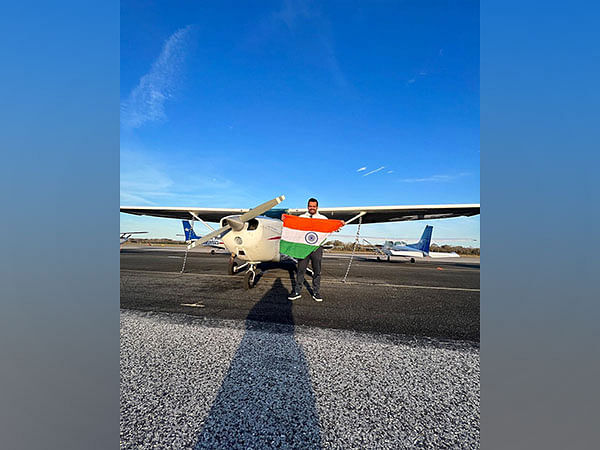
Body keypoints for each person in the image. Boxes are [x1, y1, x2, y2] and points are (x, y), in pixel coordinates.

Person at [288, 198, 344, 302]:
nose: (312, 208)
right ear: (307, 206)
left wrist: (339, 224)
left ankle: (316, 292)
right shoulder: (301, 217)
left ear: (317, 207)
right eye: (310, 206)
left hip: (317, 248)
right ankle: (297, 291)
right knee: (300, 270)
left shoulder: (322, 218)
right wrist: (286, 220)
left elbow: (334, 228)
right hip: (303, 248)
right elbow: (294, 227)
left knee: (317, 271)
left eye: (314, 206)